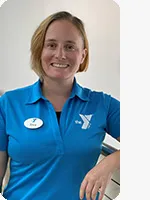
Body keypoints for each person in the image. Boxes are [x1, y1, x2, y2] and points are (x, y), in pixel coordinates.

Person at [0, 11, 120, 200]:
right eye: (51, 45)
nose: (60, 54)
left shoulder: (103, 104)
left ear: (82, 55)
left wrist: (112, 162)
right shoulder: (8, 104)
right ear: (40, 50)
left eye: (70, 47)